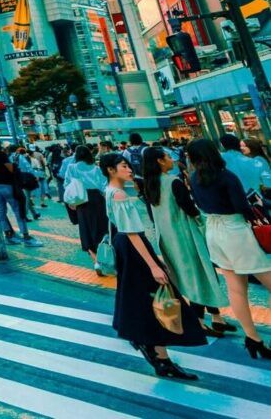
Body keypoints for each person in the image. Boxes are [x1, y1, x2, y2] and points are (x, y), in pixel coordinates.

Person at [100, 152, 203, 378]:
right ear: (111, 169)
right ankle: (159, 355)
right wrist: (154, 265)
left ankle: (155, 351)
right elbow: (132, 232)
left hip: (125, 247)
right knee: (157, 296)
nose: (129, 169)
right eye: (124, 166)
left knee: (142, 298)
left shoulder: (109, 191)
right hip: (134, 246)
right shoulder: (118, 195)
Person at [187, 139, 271, 359]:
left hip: (213, 231)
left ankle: (253, 338)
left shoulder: (194, 178)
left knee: (235, 288)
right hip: (235, 230)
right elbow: (242, 207)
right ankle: (254, 340)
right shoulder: (226, 177)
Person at [139, 146, 231, 337]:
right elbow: (190, 209)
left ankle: (217, 318)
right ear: (159, 161)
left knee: (195, 275)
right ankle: (199, 321)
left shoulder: (150, 185)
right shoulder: (173, 182)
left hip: (167, 238)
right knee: (200, 275)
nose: (171, 159)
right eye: (167, 157)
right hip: (186, 234)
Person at [0, 137, 43, 247]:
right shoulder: (0, 154)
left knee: (0, 211)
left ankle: (9, 235)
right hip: (6, 184)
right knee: (18, 209)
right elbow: (10, 168)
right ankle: (26, 236)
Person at [63, 145, 108, 272]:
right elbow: (103, 185)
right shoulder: (96, 168)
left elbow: (67, 184)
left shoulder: (72, 168)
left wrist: (72, 202)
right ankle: (106, 256)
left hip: (82, 200)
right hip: (97, 200)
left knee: (86, 229)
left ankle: (96, 261)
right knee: (101, 228)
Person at [219, 134, 264, 199]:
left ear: (223, 145)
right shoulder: (251, 160)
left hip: (239, 197)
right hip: (256, 196)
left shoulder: (222, 158)